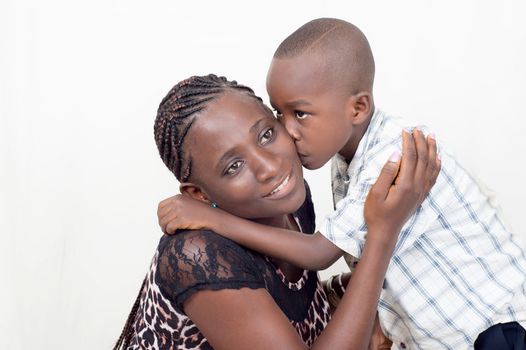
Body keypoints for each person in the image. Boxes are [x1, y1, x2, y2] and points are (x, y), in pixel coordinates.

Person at [158, 19, 526, 349]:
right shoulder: (198, 253)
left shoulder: (390, 161)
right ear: (198, 193)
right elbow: (365, 248)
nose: (289, 132)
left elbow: (322, 253)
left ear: (358, 108)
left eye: (297, 115)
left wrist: (215, 219)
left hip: (493, 329)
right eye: (280, 113)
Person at [114, 74, 439, 350]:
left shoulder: (290, 203)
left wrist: (363, 301)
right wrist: (382, 233)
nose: (270, 167)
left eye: (266, 134)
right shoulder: (197, 255)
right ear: (199, 193)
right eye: (233, 166)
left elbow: (293, 305)